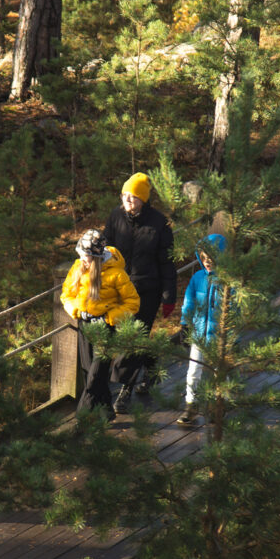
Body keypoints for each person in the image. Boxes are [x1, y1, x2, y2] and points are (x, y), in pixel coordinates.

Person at [103, 172, 177, 413]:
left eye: (133, 197)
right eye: (125, 195)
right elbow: (105, 249)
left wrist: (169, 296)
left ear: (144, 200)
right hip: (120, 289)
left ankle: (125, 390)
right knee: (122, 335)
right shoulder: (116, 216)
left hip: (148, 290)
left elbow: (167, 262)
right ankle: (152, 365)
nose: (128, 201)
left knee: (132, 338)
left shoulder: (159, 224)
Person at [61, 229, 140, 419]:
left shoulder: (116, 274)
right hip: (84, 325)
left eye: (86, 257)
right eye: (81, 255)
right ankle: (106, 410)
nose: (83, 260)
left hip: (105, 328)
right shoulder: (78, 267)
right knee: (89, 371)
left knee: (95, 375)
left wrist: (110, 317)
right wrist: (75, 310)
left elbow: (133, 303)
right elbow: (66, 294)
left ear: (96, 257)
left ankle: (81, 419)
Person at [177, 233, 227, 426]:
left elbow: (235, 310)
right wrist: (184, 324)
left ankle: (218, 406)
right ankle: (191, 404)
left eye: (211, 258)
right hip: (199, 333)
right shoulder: (198, 278)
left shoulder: (227, 281)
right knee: (193, 370)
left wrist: (231, 336)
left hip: (220, 337)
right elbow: (188, 302)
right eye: (203, 257)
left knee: (219, 372)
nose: (207, 262)